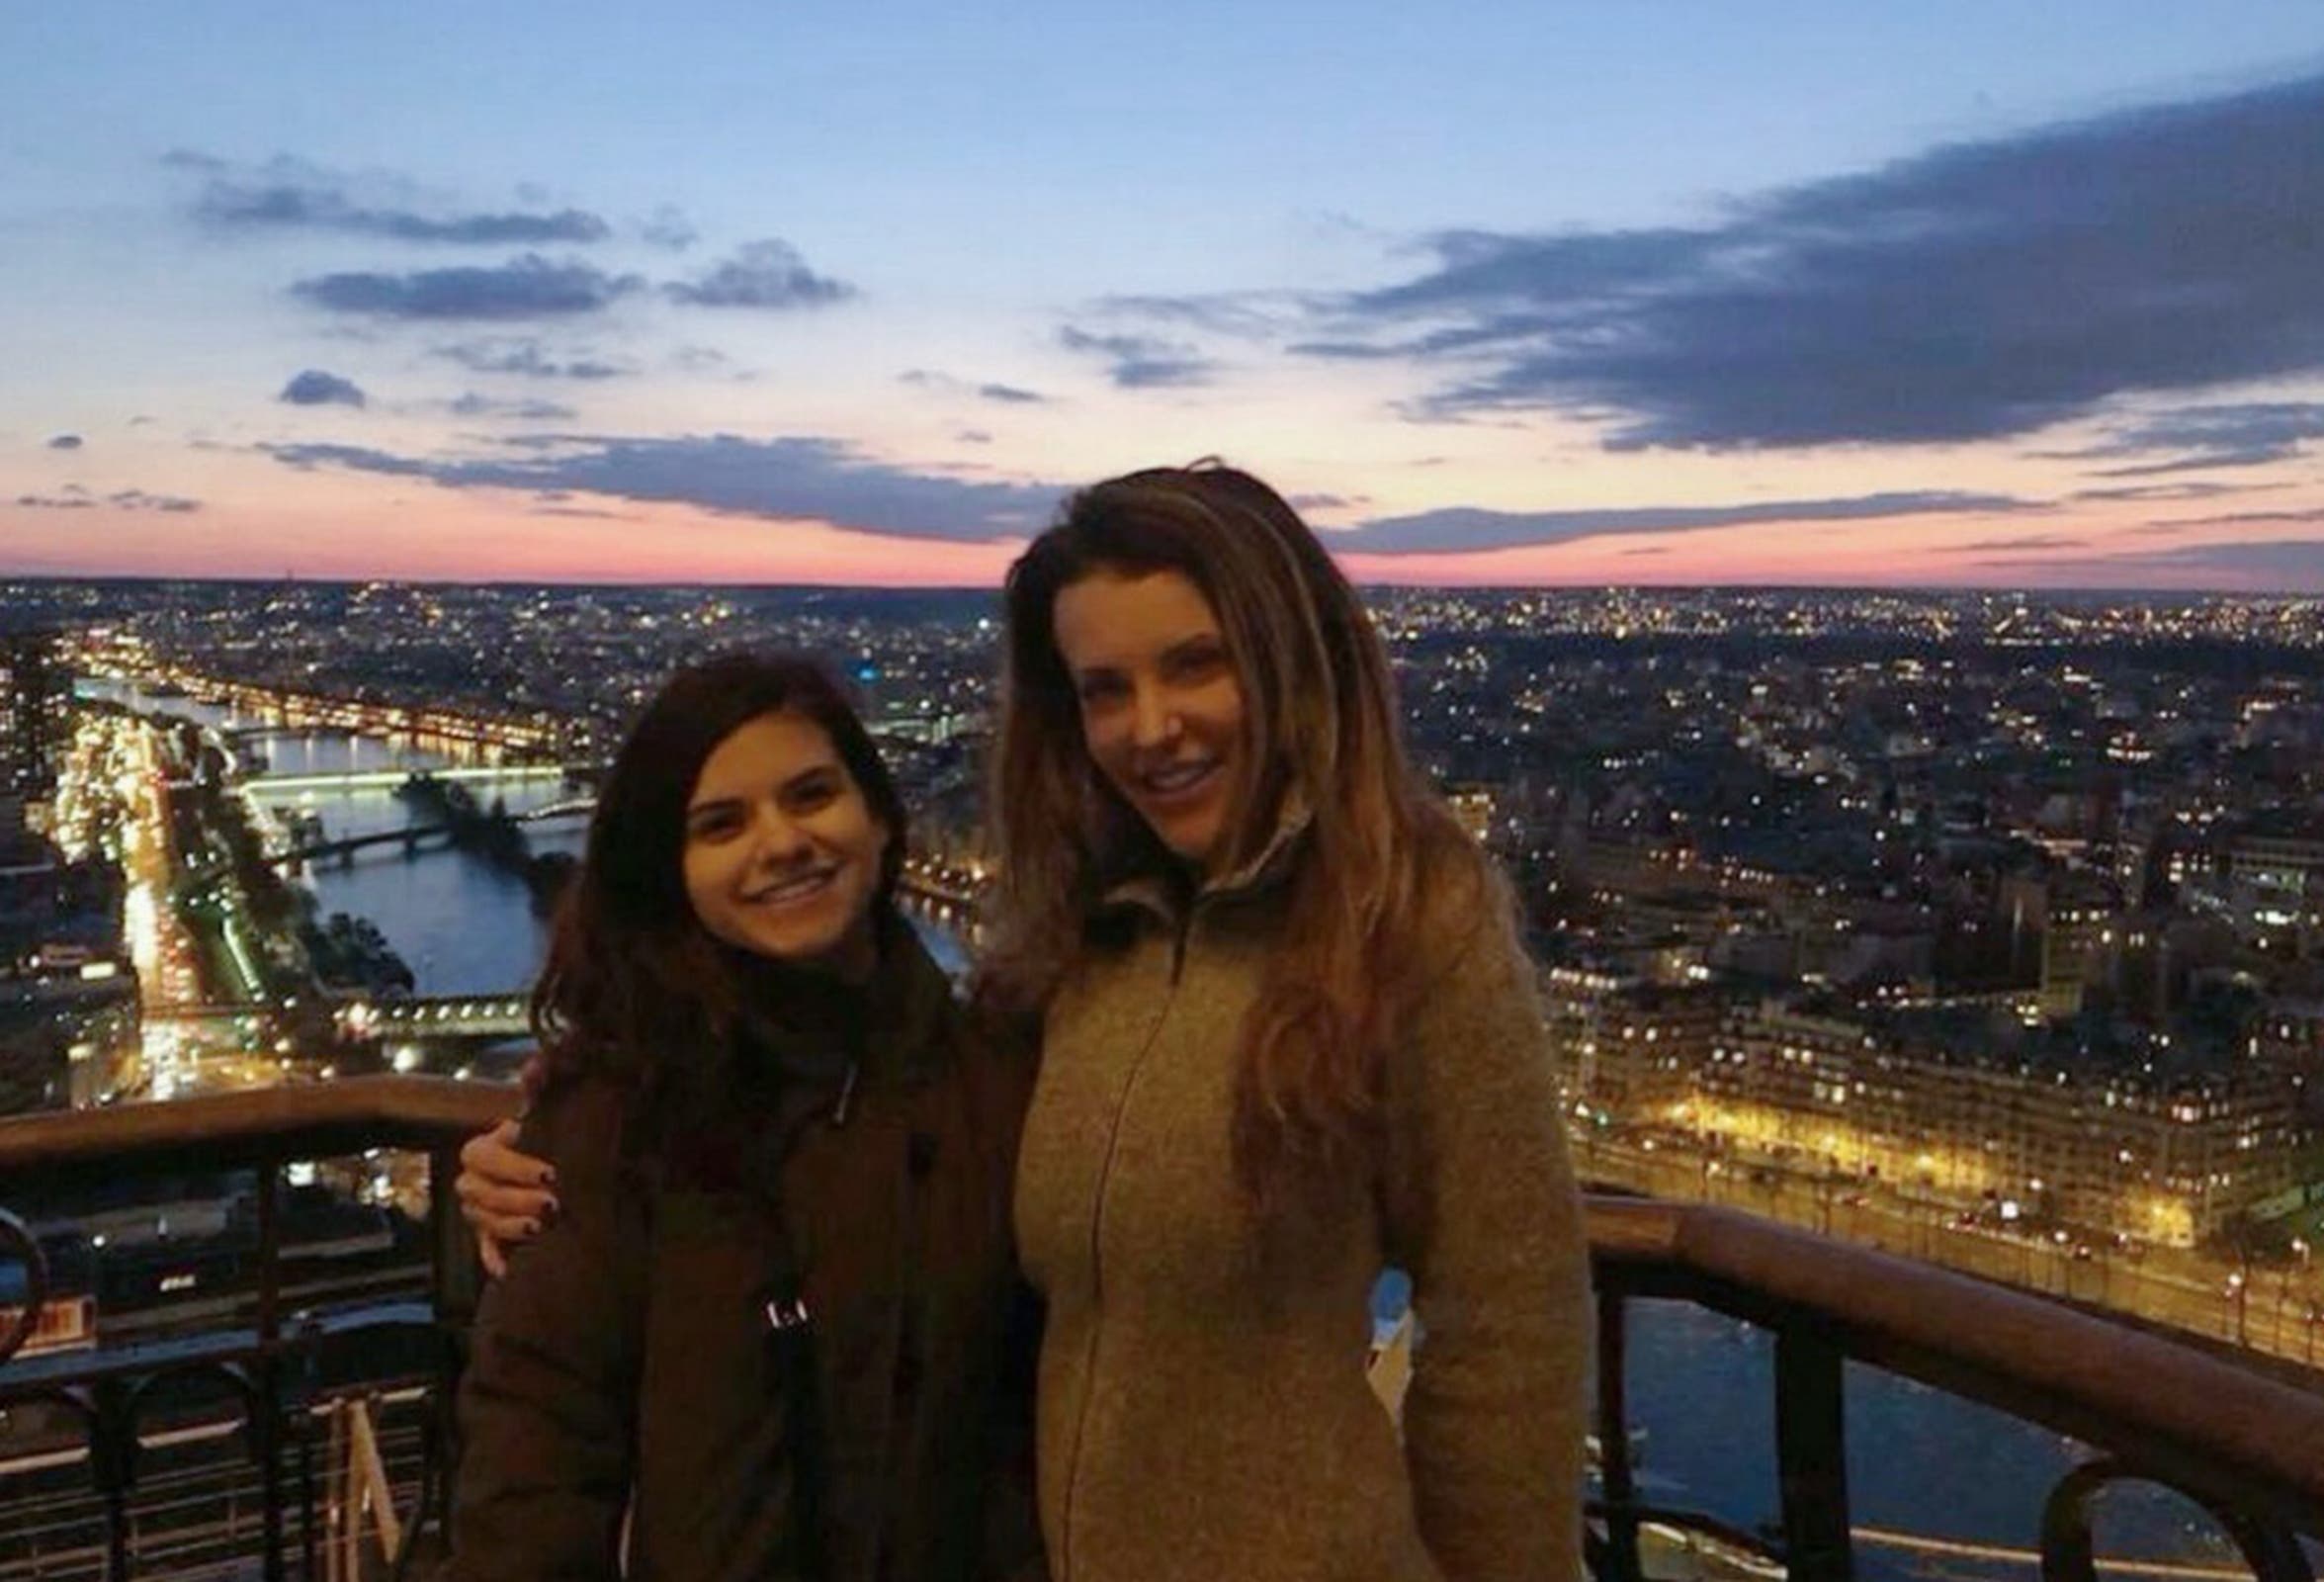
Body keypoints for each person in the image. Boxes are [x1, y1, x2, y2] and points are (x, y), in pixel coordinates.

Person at [464, 464, 1591, 1582]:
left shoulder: (1411, 919)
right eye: (1105, 688)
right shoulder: (1065, 959)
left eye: (1197, 663)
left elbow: (1509, 1321)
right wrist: (530, 1153)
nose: (1153, 727)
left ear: (1290, 661)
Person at [444, 651, 1039, 1582]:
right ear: (670, 871)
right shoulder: (609, 1117)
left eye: (811, 796)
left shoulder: (997, 1080)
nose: (781, 842)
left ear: (881, 821)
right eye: (722, 824)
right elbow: (538, 1458)